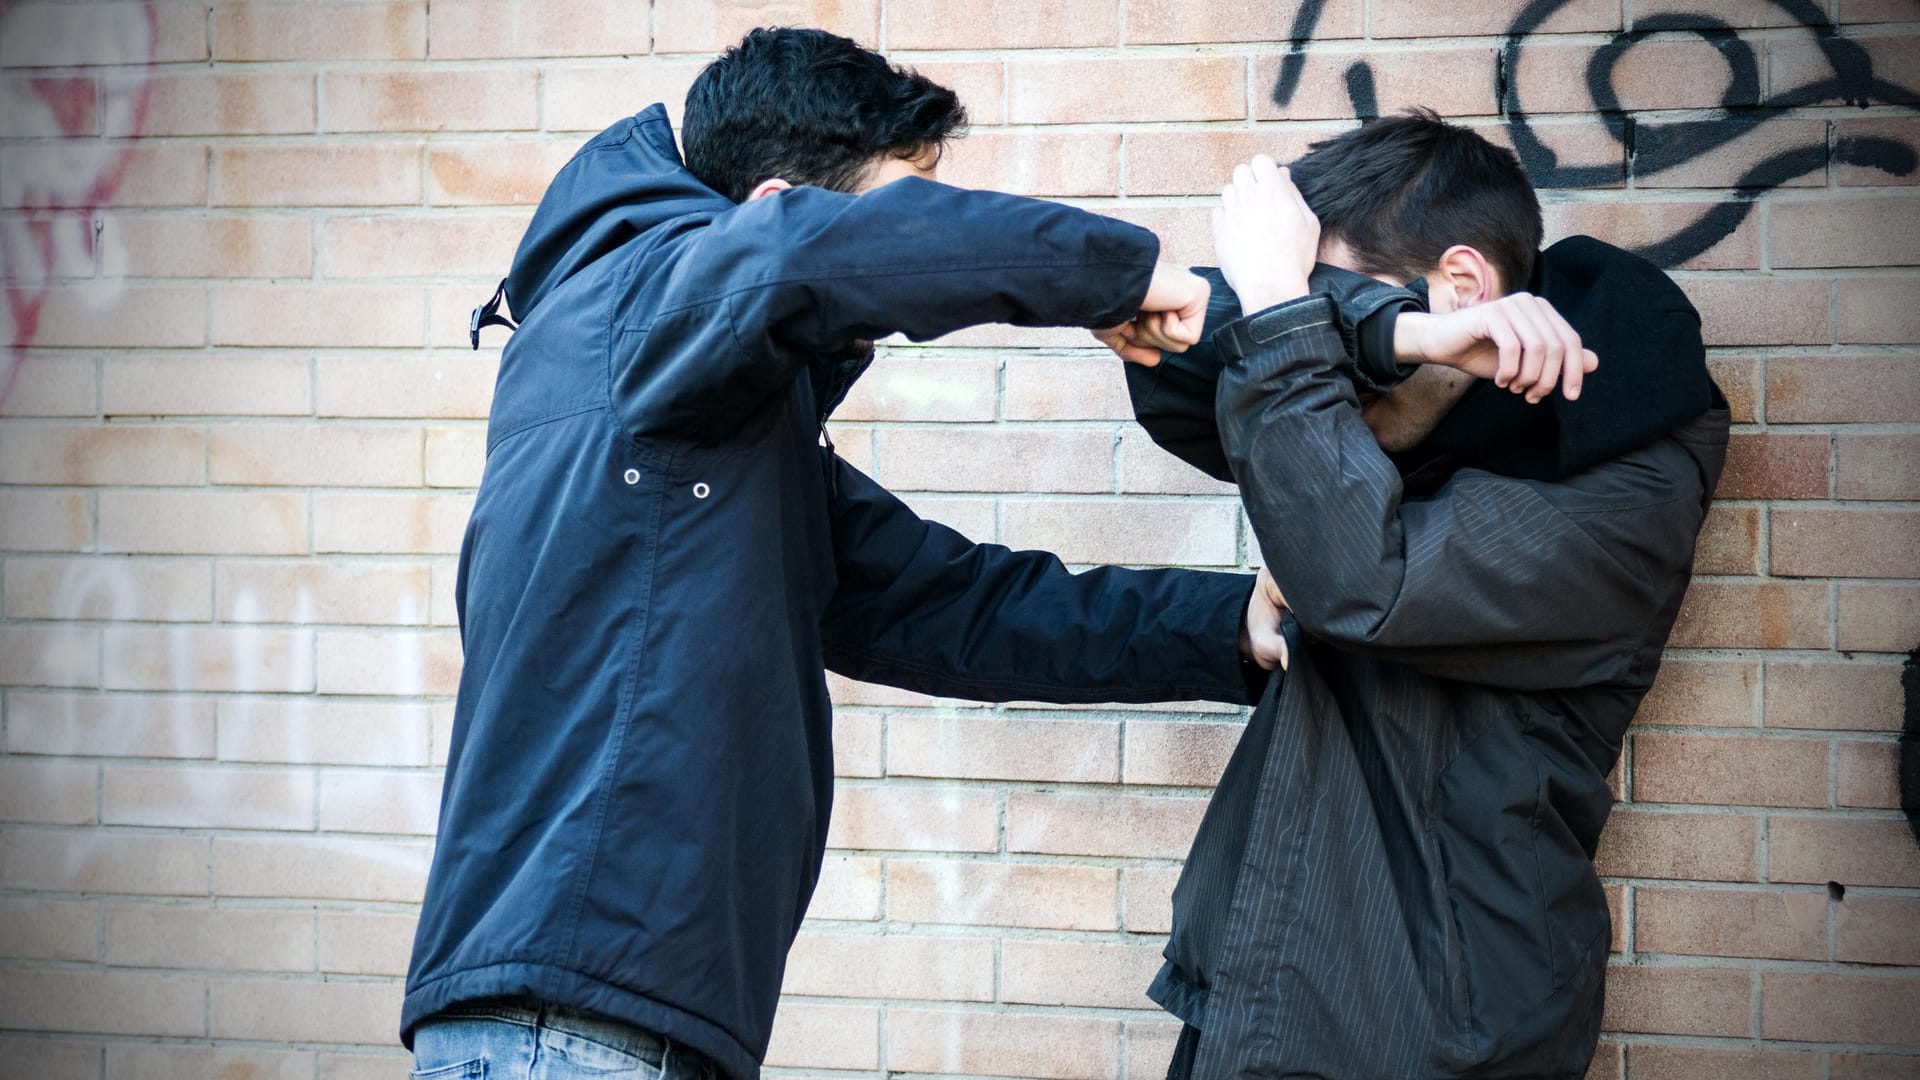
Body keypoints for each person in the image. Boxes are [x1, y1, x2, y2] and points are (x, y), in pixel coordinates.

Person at [400, 27, 1310, 1080]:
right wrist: (1124, 273)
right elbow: (810, 256)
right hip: (567, 1027)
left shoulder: (706, 420)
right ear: (778, 201)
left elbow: (955, 606)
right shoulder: (636, 305)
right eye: (901, 211)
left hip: (604, 1018)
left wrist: (1226, 624)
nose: (923, 244)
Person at [1113, 114, 1728, 1078]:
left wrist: (1285, 309)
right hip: (1260, 991)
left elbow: (1365, 585)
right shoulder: (1415, 411)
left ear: (1466, 283)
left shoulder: (1626, 486)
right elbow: (1177, 376)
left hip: (1430, 1031)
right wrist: (1373, 326)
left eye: (1333, 307)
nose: (1318, 347)